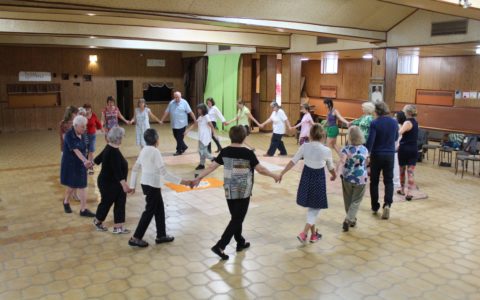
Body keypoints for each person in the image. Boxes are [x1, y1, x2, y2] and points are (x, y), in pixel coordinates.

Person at [192, 125, 280, 260]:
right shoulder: (248, 153)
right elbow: (260, 169)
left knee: (236, 218)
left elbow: (211, 166)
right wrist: (274, 175)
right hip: (243, 192)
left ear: (230, 136)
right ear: (244, 137)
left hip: (229, 190)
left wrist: (199, 177)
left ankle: (240, 242)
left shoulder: (225, 151)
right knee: (237, 219)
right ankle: (220, 246)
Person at [128, 129, 191, 248]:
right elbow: (165, 174)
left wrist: (132, 186)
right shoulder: (155, 152)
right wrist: (184, 182)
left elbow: (135, 168)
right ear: (156, 140)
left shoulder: (143, 150)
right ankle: (136, 237)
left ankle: (161, 235)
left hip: (147, 184)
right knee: (149, 212)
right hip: (152, 185)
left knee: (159, 209)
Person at [279, 124, 336, 244]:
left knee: (312, 206)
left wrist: (282, 173)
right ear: (323, 136)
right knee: (315, 208)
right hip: (318, 179)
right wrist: (334, 175)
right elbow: (330, 167)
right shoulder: (326, 150)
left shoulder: (304, 147)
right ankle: (304, 233)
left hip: (306, 178)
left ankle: (314, 235)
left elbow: (293, 161)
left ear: (310, 135)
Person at [93, 127, 132, 233]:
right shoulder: (113, 151)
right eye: (122, 137)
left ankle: (118, 227)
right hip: (109, 183)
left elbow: (98, 159)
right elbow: (117, 171)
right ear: (118, 138)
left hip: (113, 183)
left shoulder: (110, 147)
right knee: (107, 202)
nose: (122, 139)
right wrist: (125, 185)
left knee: (120, 202)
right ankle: (97, 221)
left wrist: (91, 163)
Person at [366, 102, 399, 220]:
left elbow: (371, 140)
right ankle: (387, 204)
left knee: (374, 181)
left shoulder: (374, 123)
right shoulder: (394, 122)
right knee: (388, 181)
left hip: (377, 155)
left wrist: (366, 154)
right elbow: (395, 138)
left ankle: (375, 206)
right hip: (390, 155)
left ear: (377, 111)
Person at [60, 115, 95, 217]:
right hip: (70, 164)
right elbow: (76, 150)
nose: (85, 129)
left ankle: (83, 209)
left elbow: (87, 149)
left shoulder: (83, 134)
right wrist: (85, 161)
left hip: (81, 164)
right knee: (72, 185)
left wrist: (89, 161)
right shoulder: (69, 135)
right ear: (75, 126)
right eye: (82, 127)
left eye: (85, 126)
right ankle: (66, 201)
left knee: (82, 186)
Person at [336, 126, 368, 232]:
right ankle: (350, 219)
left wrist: (337, 171)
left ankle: (350, 219)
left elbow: (342, 161)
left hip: (347, 178)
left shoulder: (346, 149)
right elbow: (366, 163)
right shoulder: (364, 149)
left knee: (348, 200)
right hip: (361, 179)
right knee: (356, 201)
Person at [159, 91, 196, 156]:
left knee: (179, 137)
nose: (176, 99)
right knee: (176, 136)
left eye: (178, 97)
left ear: (180, 97)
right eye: (175, 97)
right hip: (174, 124)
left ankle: (179, 151)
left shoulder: (184, 102)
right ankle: (184, 147)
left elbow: (190, 112)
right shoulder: (171, 103)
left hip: (182, 124)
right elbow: (166, 112)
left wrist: (195, 120)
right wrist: (162, 120)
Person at [184, 103, 216, 170]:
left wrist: (214, 134)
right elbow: (195, 124)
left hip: (205, 137)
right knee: (201, 151)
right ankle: (202, 164)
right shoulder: (200, 117)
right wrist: (187, 130)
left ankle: (213, 158)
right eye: (198, 109)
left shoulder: (206, 116)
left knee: (202, 151)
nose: (198, 110)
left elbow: (212, 126)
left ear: (203, 109)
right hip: (201, 137)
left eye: (199, 109)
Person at [398, 105, 419, 201]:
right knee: (410, 172)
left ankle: (402, 190)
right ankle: (409, 193)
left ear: (408, 112)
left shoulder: (407, 122)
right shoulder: (416, 122)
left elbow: (400, 132)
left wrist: (398, 127)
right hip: (413, 148)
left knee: (402, 171)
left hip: (405, 148)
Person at [83, 103, 102, 175]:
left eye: (88, 108)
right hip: (84, 135)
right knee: (85, 151)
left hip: (92, 136)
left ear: (91, 109)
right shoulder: (82, 116)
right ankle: (85, 166)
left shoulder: (93, 115)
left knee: (91, 151)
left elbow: (98, 124)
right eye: (86, 109)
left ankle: (90, 167)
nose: (87, 110)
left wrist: (101, 128)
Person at [393, 111, 406, 192]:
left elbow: (400, 137)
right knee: (395, 165)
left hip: (398, 147)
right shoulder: (399, 125)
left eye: (396, 116)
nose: (394, 118)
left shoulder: (401, 126)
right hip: (395, 146)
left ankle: (396, 182)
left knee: (397, 165)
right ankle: (395, 181)